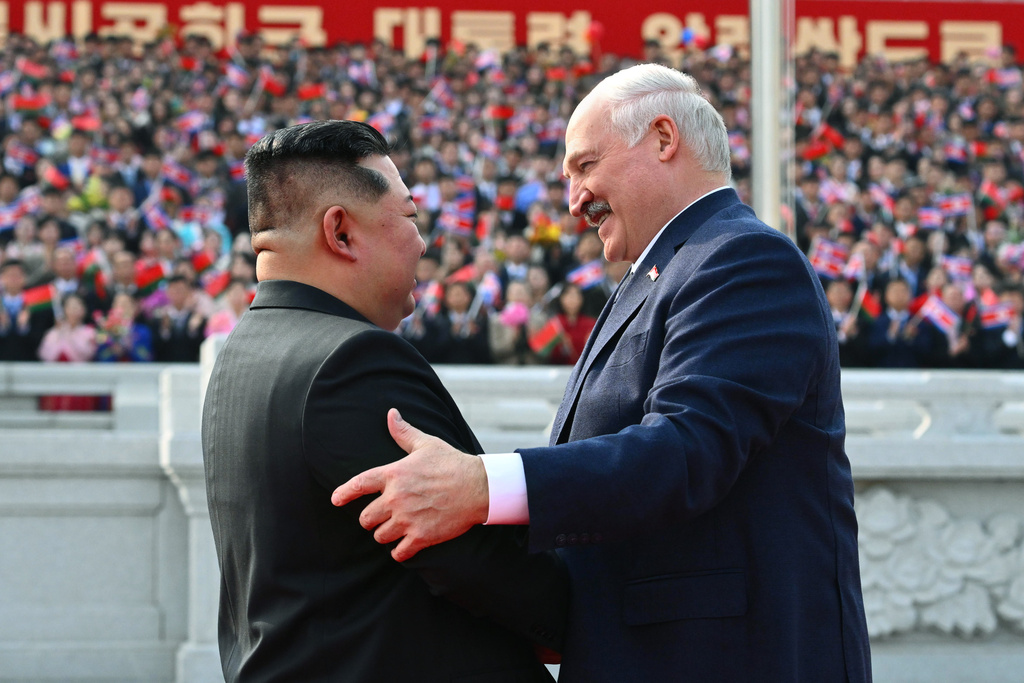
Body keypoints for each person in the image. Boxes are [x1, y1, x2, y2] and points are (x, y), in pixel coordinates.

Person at [332, 64, 872, 681]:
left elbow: (686, 451)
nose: (573, 200)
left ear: (664, 140)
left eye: (586, 166)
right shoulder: (662, 270)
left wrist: (481, 486)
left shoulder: (743, 261)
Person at [201, 120, 567, 683]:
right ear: (341, 232)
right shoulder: (352, 361)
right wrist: (588, 622)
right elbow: (471, 559)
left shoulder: (243, 349)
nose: (423, 242)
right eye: (410, 218)